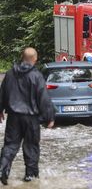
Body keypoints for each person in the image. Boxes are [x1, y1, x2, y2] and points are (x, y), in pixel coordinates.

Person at [0, 47, 55, 185]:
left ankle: (2, 170)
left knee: (10, 145)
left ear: (21, 57)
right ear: (35, 59)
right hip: (31, 118)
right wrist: (50, 117)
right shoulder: (36, 76)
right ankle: (30, 177)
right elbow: (43, 98)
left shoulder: (10, 74)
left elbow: (3, 93)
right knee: (31, 146)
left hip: (13, 117)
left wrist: (0, 110)